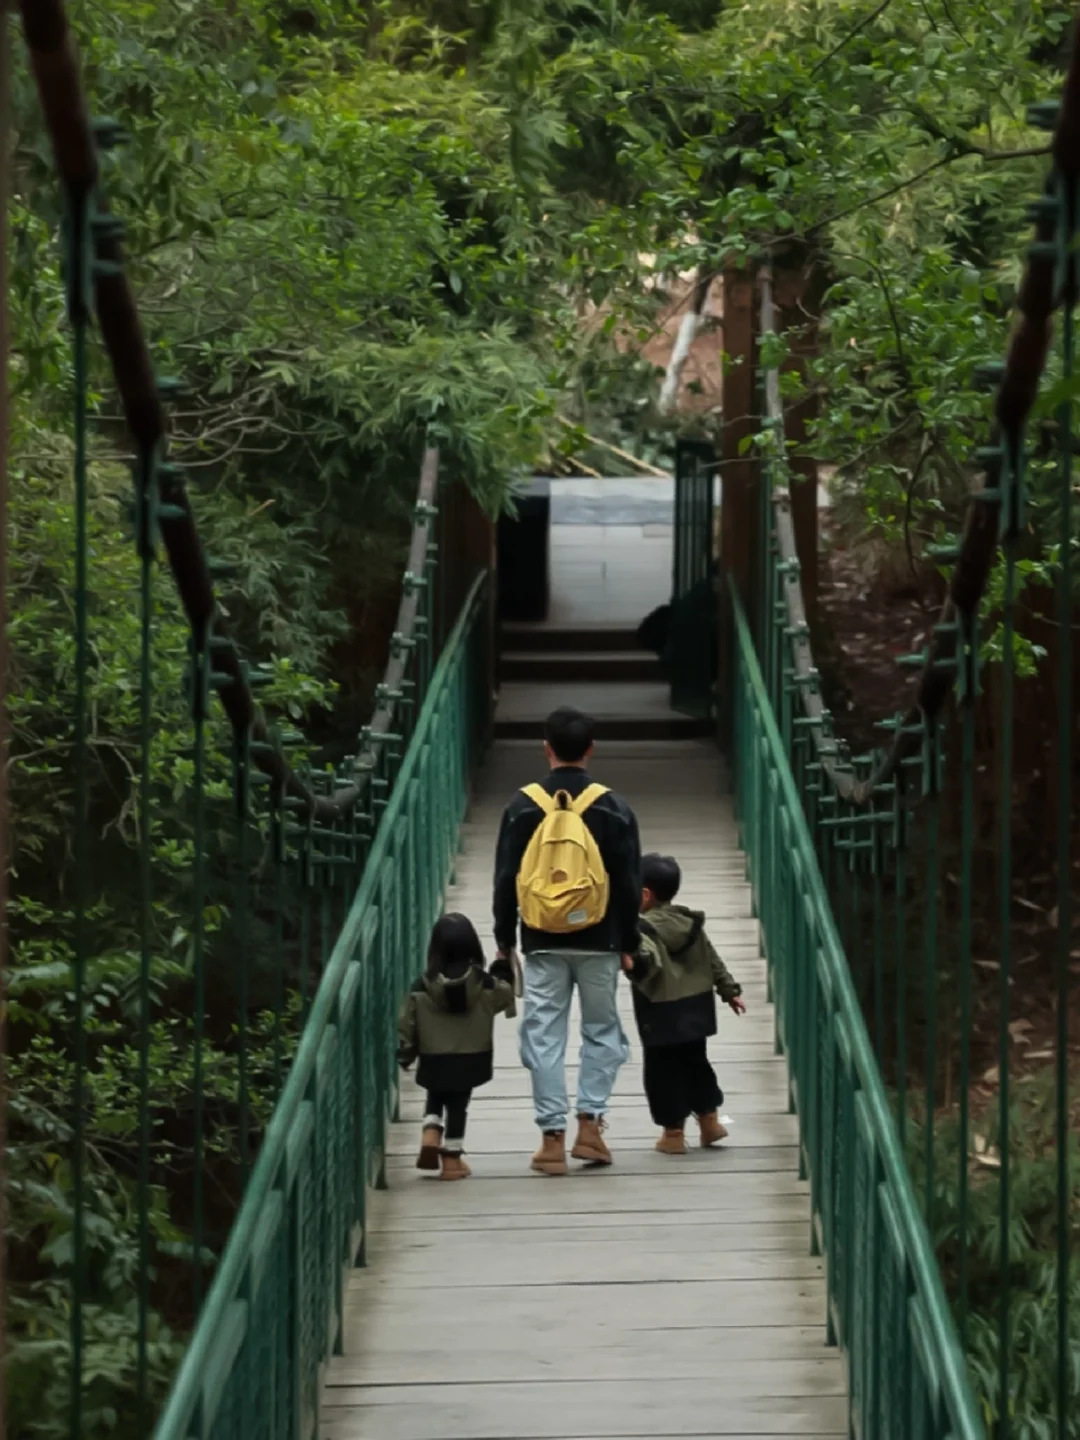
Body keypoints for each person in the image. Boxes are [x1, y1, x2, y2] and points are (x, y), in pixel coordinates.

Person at [493, 706, 641, 1176]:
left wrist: (503, 940)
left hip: (541, 938)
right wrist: (628, 942)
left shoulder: (521, 807)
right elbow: (628, 883)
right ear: (591, 749)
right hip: (600, 939)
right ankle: (591, 1126)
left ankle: (552, 1138)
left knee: (544, 1034)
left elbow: (504, 879)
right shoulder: (614, 807)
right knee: (602, 1031)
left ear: (546, 748)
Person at [624, 853, 746, 1155]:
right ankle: (710, 1121)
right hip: (696, 1006)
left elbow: (647, 960)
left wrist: (633, 962)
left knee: (661, 1072)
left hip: (660, 1009)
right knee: (696, 1063)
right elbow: (712, 957)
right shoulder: (690, 922)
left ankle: (673, 1133)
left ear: (644, 895)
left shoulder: (642, 929)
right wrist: (728, 989)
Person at [397, 912, 516, 1181]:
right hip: (472, 1058)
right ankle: (451, 1161)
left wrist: (406, 1052)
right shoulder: (484, 984)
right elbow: (505, 996)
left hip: (433, 1057)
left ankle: (430, 1130)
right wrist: (502, 970)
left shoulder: (422, 986)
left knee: (436, 1093)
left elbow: (407, 1022)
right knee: (458, 1105)